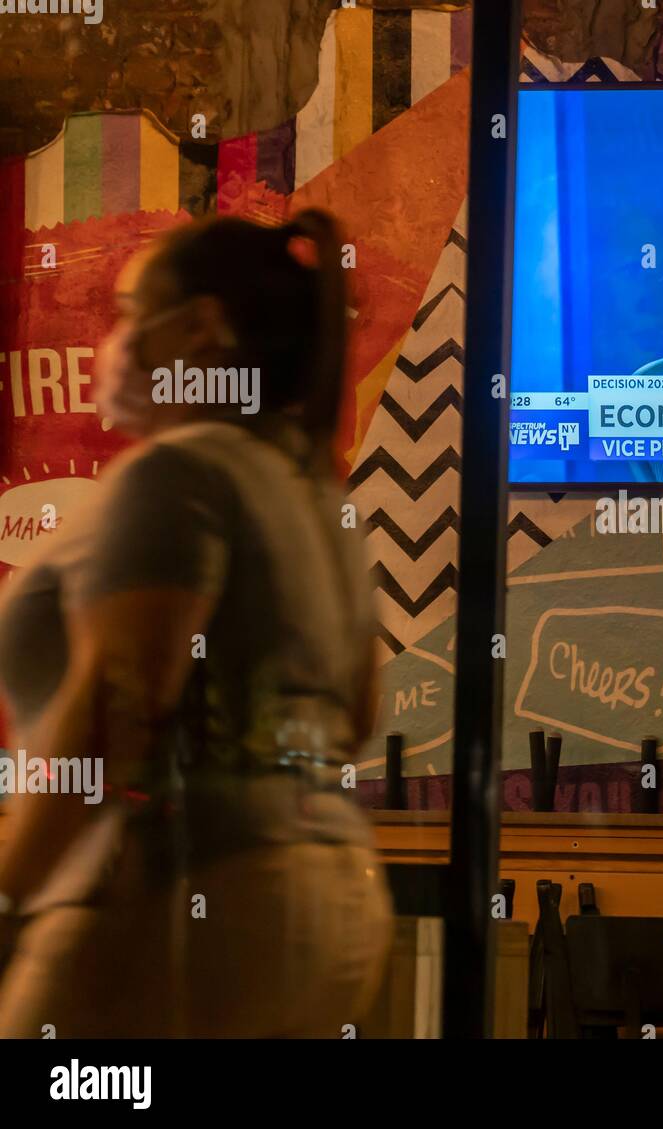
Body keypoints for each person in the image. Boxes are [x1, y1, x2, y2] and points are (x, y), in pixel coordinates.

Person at [0, 209, 393, 1037]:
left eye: (131, 313)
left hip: (172, 900)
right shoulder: (312, 489)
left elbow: (117, 701)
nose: (115, 341)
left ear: (202, 328)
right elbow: (357, 714)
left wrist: (10, 887)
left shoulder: (177, 473)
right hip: (332, 902)